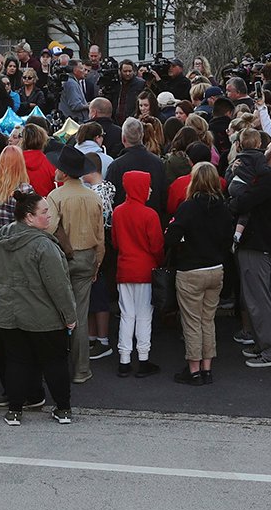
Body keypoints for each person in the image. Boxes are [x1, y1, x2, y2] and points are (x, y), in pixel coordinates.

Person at [0, 190, 77, 425]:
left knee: (16, 361)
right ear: (29, 216)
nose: (49, 216)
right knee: (55, 361)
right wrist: (70, 316)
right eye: (44, 212)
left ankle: (15, 410)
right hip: (42, 315)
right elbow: (59, 286)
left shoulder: (0, 237)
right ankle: (63, 409)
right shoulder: (44, 246)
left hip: (7, 313)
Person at [166, 162, 233, 385]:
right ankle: (207, 368)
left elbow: (171, 238)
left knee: (192, 321)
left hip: (191, 270)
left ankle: (193, 369)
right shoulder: (223, 207)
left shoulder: (188, 207)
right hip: (216, 269)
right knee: (208, 320)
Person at [46, 145, 107, 381]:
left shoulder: (55, 196)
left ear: (63, 171)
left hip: (62, 259)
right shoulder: (93, 196)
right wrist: (97, 264)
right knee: (80, 315)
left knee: (56, 312)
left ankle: (55, 368)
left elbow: (49, 229)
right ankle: (81, 370)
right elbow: (100, 237)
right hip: (87, 258)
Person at [231, 137, 271, 369]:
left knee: (258, 299)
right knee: (254, 297)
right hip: (260, 242)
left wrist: (235, 200)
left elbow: (243, 201)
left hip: (257, 243)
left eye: (267, 149)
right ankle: (263, 344)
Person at [111, 169, 164, 378]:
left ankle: (124, 359)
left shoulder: (118, 212)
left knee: (126, 315)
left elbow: (115, 242)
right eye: (147, 186)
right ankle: (143, 358)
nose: (150, 190)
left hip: (124, 268)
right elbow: (157, 246)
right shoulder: (150, 214)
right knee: (144, 316)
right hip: (145, 270)